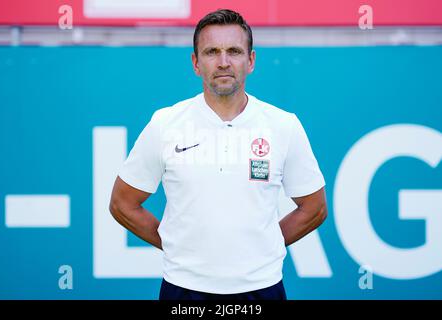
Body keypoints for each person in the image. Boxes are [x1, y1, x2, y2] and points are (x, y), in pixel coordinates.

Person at [109, 9, 327, 300]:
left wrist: (266, 246)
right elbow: (122, 203)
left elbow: (314, 207)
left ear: (250, 61)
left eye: (234, 51)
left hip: (261, 290)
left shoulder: (283, 125)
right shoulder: (165, 123)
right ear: (196, 63)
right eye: (212, 52)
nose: (223, 62)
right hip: (184, 291)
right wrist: (176, 245)